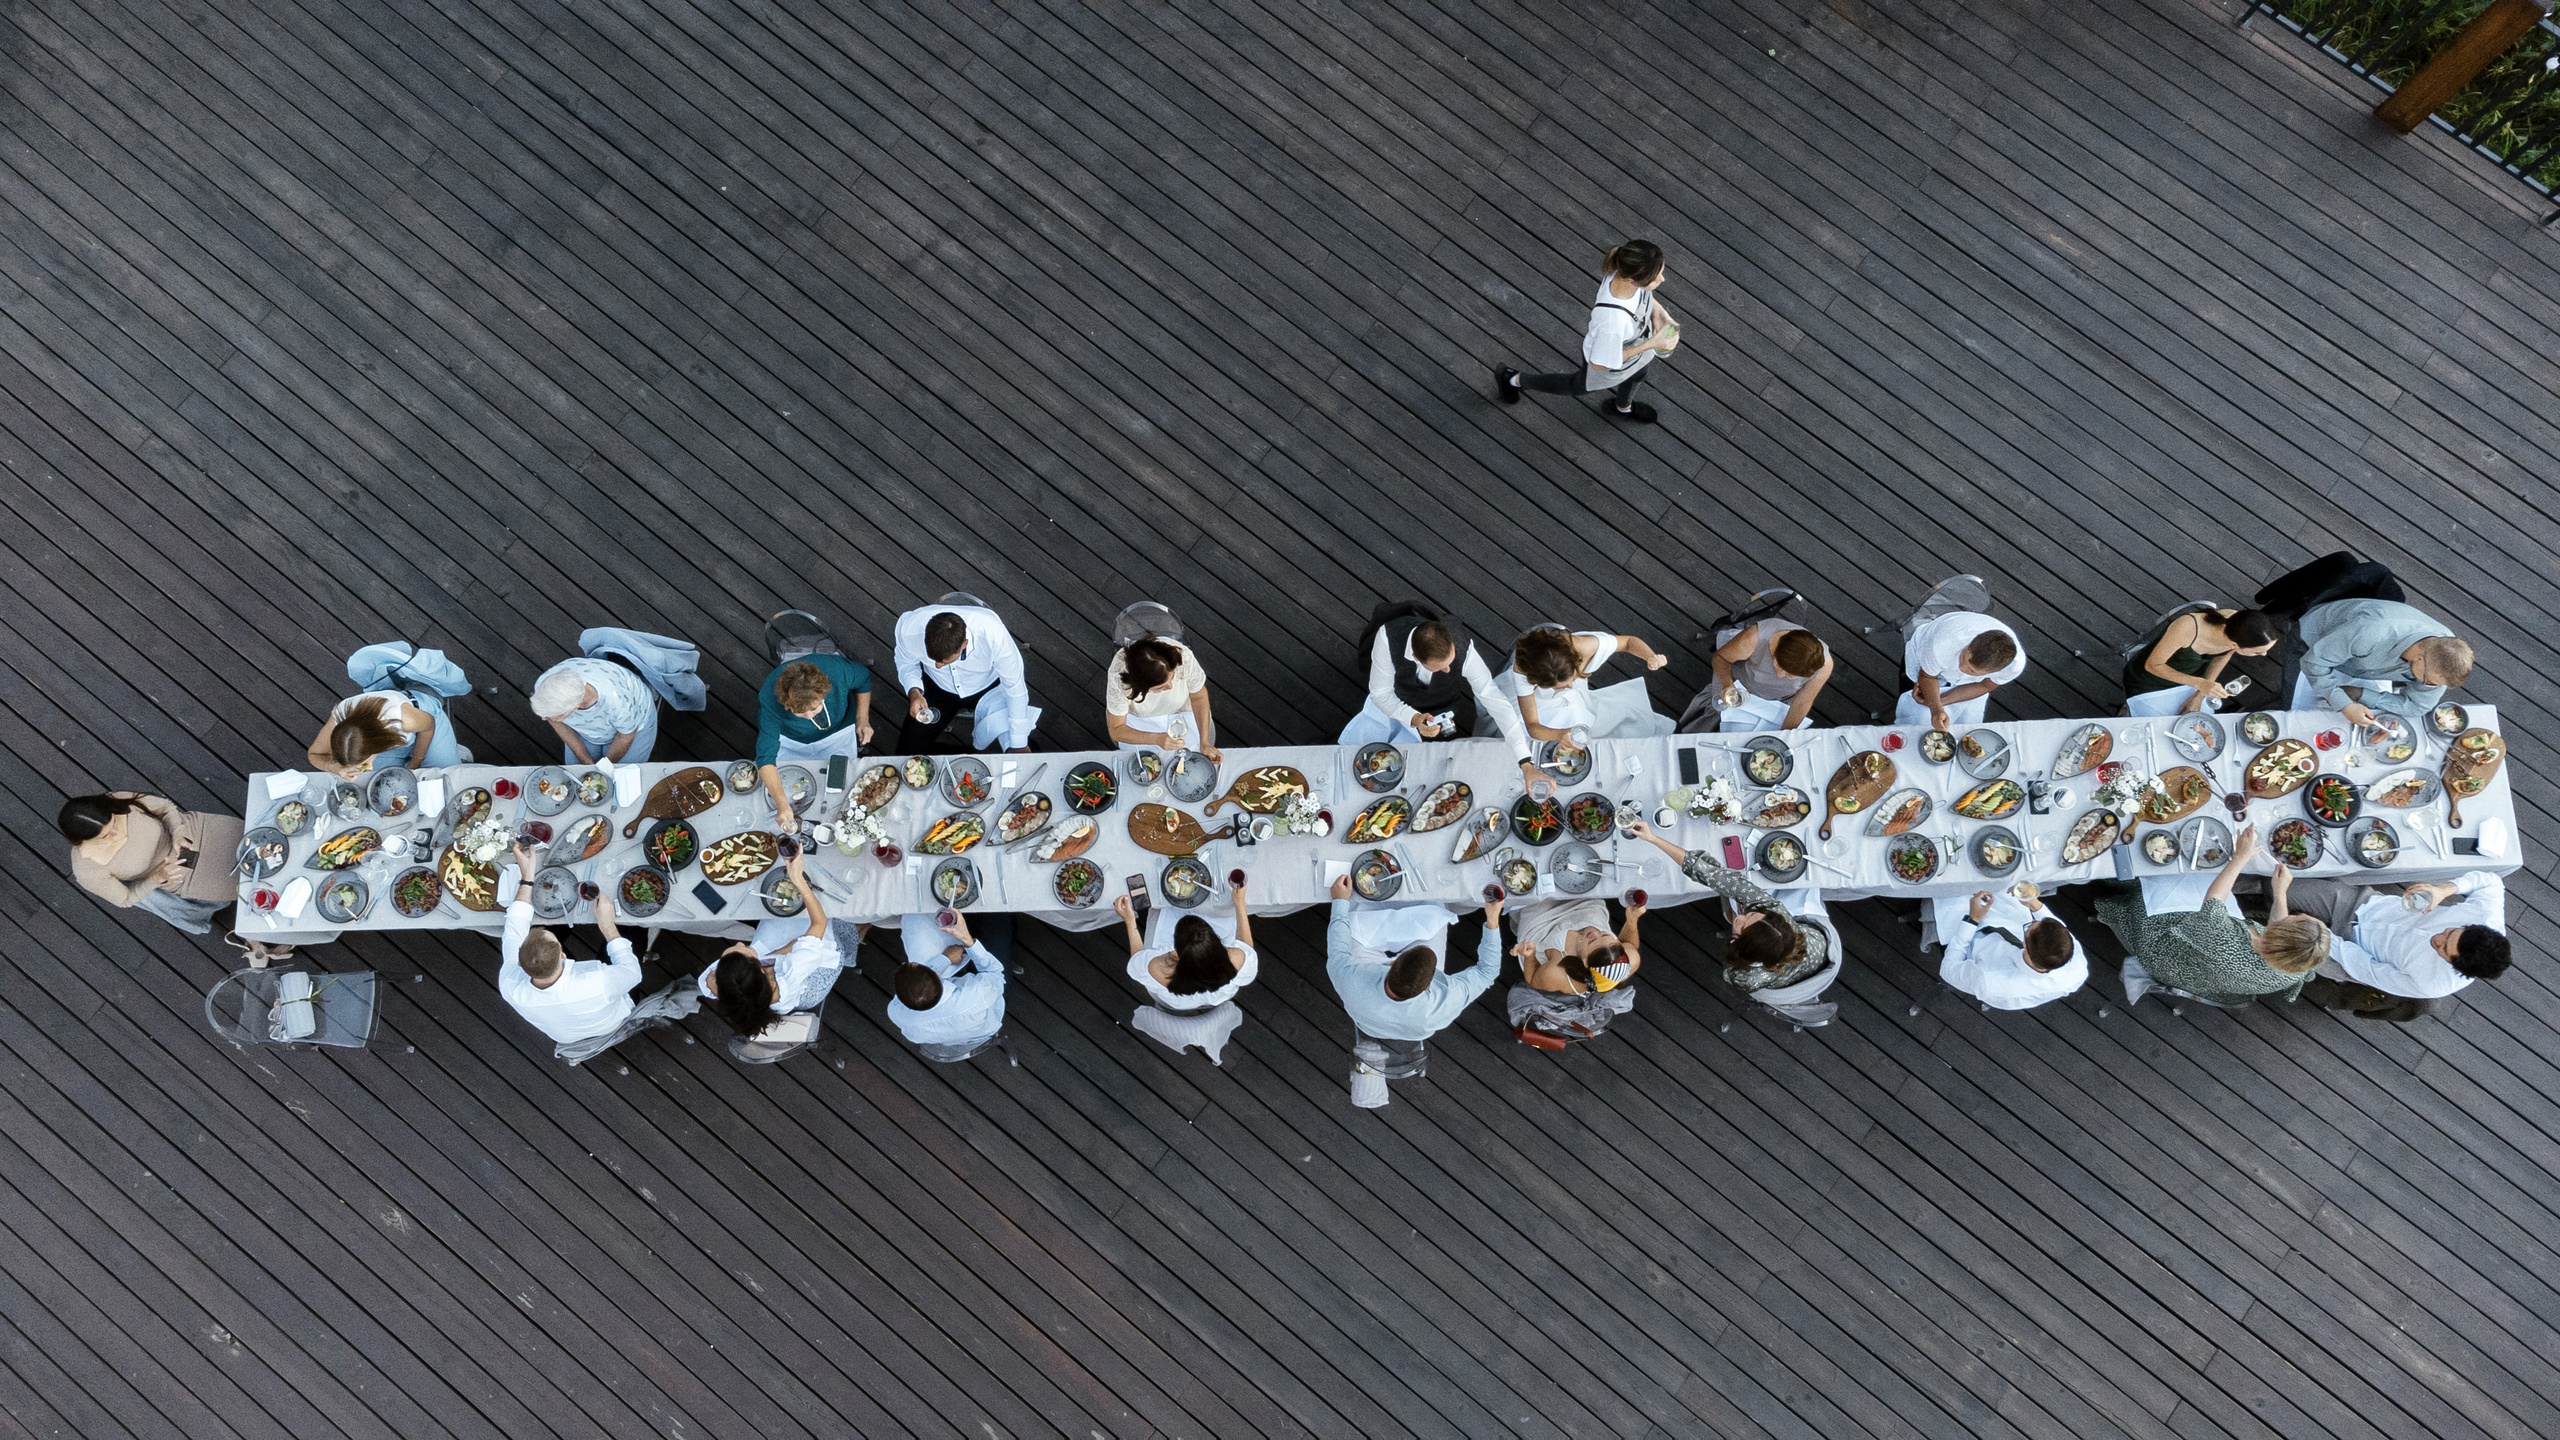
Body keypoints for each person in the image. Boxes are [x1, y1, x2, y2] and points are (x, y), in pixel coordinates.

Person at [2088, 824, 2330, 1006]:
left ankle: (2108, 878)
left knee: (2160, 875)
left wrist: (2241, 857)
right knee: (2201, 871)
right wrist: (2279, 894)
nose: (2290, 914)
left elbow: (2213, 902)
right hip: (2209, 972)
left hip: (2164, 947)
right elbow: (2279, 935)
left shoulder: (2227, 947)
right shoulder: (2297, 962)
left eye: (2295, 918)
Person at [497, 841, 693, 1045]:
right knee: (629, 928)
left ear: (519, 961)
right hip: (612, 1019)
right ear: (563, 956)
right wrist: (607, 926)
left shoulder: (510, 984)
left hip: (567, 1030)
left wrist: (527, 876)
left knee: (548, 926)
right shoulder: (597, 982)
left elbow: (515, 922)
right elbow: (633, 974)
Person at [1342, 607, 1548, 791]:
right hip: (1395, 704)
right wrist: (1412, 718)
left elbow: (1495, 701)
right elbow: (1381, 694)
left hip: (1441, 707)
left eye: (1450, 662)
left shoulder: (1464, 650)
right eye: (1440, 667)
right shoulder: (1388, 637)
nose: (1449, 670)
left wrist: (1525, 761)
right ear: (1415, 657)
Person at [1625, 820, 1837, 995]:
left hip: (1794, 983)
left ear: (1742, 947)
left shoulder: (1742, 976)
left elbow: (1734, 970)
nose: (1740, 918)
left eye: (1742, 927)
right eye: (1751, 914)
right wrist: (1653, 838)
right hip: (1815, 940)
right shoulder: (1773, 912)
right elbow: (1713, 874)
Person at [1494, 241, 1679, 424]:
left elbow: (1643, 294)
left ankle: (1622, 407)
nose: (1662, 279)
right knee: (1575, 386)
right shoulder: (1613, 321)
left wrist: (1662, 314)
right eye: (1656, 278)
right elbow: (1600, 364)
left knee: (1638, 373)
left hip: (1635, 353)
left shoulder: (1624, 273)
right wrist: (1652, 344)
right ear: (1633, 280)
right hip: (1611, 359)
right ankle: (1513, 379)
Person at [2288, 872, 2511, 1020]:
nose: (2437, 938)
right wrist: (2446, 889)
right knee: (2282, 888)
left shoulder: (2433, 983)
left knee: (2280, 940)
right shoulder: (2487, 915)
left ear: (2455, 965)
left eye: (2443, 949)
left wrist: (2324, 936)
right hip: (2361, 906)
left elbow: (2368, 969)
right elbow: (2491, 881)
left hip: (2351, 956)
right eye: (2450, 932)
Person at [699, 850, 840, 1036]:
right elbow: (819, 923)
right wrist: (799, 880)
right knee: (831, 928)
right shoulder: (792, 973)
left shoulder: (711, 983)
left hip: (777, 963)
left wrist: (793, 944)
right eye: (745, 950)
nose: (741, 943)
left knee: (792, 934)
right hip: (813, 979)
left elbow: (774, 956)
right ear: (760, 969)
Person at [62, 792, 244, 935]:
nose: (117, 833)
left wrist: (178, 833)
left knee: (259, 839)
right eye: (105, 836)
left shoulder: (115, 801)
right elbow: (125, 899)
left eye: (115, 821)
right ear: (82, 841)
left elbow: (164, 807)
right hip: (186, 873)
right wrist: (157, 879)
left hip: (195, 830)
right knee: (249, 886)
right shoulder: (87, 870)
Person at [2292, 598, 2472, 726]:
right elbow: (2313, 664)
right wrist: (2345, 704)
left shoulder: (2441, 655)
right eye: (2428, 681)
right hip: (2312, 642)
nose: (2428, 686)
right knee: (2294, 717)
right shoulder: (2371, 634)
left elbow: (2417, 706)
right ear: (2419, 658)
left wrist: (2361, 694)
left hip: (2360, 667)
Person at [754, 654, 875, 832]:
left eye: (814, 709)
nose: (810, 717)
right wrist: (782, 804)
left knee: (843, 785)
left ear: (823, 693)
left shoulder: (838, 670)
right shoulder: (770, 700)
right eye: (801, 713)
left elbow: (864, 678)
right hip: (794, 741)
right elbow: (765, 757)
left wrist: (862, 718)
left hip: (838, 732)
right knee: (787, 785)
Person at [892, 603, 1034, 754]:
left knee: (1025, 749)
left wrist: (1018, 743)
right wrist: (914, 692)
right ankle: (970, 757)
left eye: (945, 661)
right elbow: (906, 662)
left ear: (964, 644)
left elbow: (1015, 688)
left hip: (987, 688)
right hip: (937, 686)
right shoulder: (909, 629)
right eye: (933, 659)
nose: (938, 666)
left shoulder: (994, 637)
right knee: (906, 753)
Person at [1506, 891, 1644, 1044]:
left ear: (1585, 961)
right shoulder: (1629, 959)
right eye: (1606, 936)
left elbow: (1532, 979)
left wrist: (1529, 955)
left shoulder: (1557, 973)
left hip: (1541, 914)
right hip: (1586, 901)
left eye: (1591, 941)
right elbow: (1630, 945)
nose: (1595, 932)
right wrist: (1632, 921)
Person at [1504, 625, 1674, 742]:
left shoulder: (1586, 646)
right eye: (1562, 686)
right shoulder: (1523, 670)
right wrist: (1563, 734)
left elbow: (1628, 642)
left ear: (1574, 660)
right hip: (1536, 700)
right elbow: (1533, 725)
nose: (1571, 685)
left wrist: (1650, 656)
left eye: (1570, 678)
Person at [1939, 885, 2086, 1010]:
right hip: (2011, 918)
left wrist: (1972, 919)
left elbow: (1948, 969)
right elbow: (2059, 930)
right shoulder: (2077, 967)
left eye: (2030, 927)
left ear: (2027, 952)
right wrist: (2034, 904)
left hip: (1971, 936)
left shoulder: (1988, 980)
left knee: (1947, 889)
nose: (2034, 920)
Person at [2121, 607, 2282, 718]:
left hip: (2193, 679)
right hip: (2150, 679)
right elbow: (2152, 665)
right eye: (2258, 651)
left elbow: (2221, 656)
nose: (2264, 654)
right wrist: (2200, 683)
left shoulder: (2238, 627)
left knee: (2198, 719)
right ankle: (2129, 708)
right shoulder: (2187, 628)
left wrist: (2199, 696)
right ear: (2235, 645)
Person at [886, 911, 1006, 1050]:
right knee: (998, 924)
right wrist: (967, 940)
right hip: (988, 1008)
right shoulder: (977, 998)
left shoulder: (897, 1013)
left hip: (954, 1034)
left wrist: (945, 959)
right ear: (937, 976)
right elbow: (995, 972)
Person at [1898, 610, 2024, 732]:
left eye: (1971, 670)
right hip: (1924, 655)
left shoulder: (2014, 667)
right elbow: (1927, 677)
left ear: (1997, 671)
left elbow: (1985, 685)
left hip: (1967, 682)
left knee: (1966, 723)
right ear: (1970, 644)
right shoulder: (1943, 644)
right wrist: (1936, 709)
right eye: (1964, 657)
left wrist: (1940, 703)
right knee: (1915, 710)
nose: (1961, 667)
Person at [1105, 637, 1222, 760]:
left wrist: (1205, 743)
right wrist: (1156, 739)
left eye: (1172, 678)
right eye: (1161, 686)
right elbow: (1117, 729)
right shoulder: (1118, 680)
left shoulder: (1183, 657)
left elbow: (1199, 696)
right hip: (1141, 718)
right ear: (1141, 686)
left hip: (1181, 710)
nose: (1171, 686)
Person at [1709, 616, 1833, 732]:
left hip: (1775, 704)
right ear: (1776, 650)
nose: (1779, 675)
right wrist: (1727, 684)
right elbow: (1720, 658)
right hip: (1737, 688)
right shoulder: (1753, 639)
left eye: (1789, 676)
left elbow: (1803, 701)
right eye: (1779, 666)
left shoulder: (1825, 666)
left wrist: (1784, 735)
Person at [529, 656, 659, 765]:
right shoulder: (543, 686)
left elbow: (625, 737)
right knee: (577, 773)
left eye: (550, 717)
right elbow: (556, 722)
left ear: (575, 707)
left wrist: (603, 767)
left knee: (623, 774)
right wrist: (586, 762)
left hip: (633, 724)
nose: (544, 719)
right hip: (593, 729)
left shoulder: (616, 702)